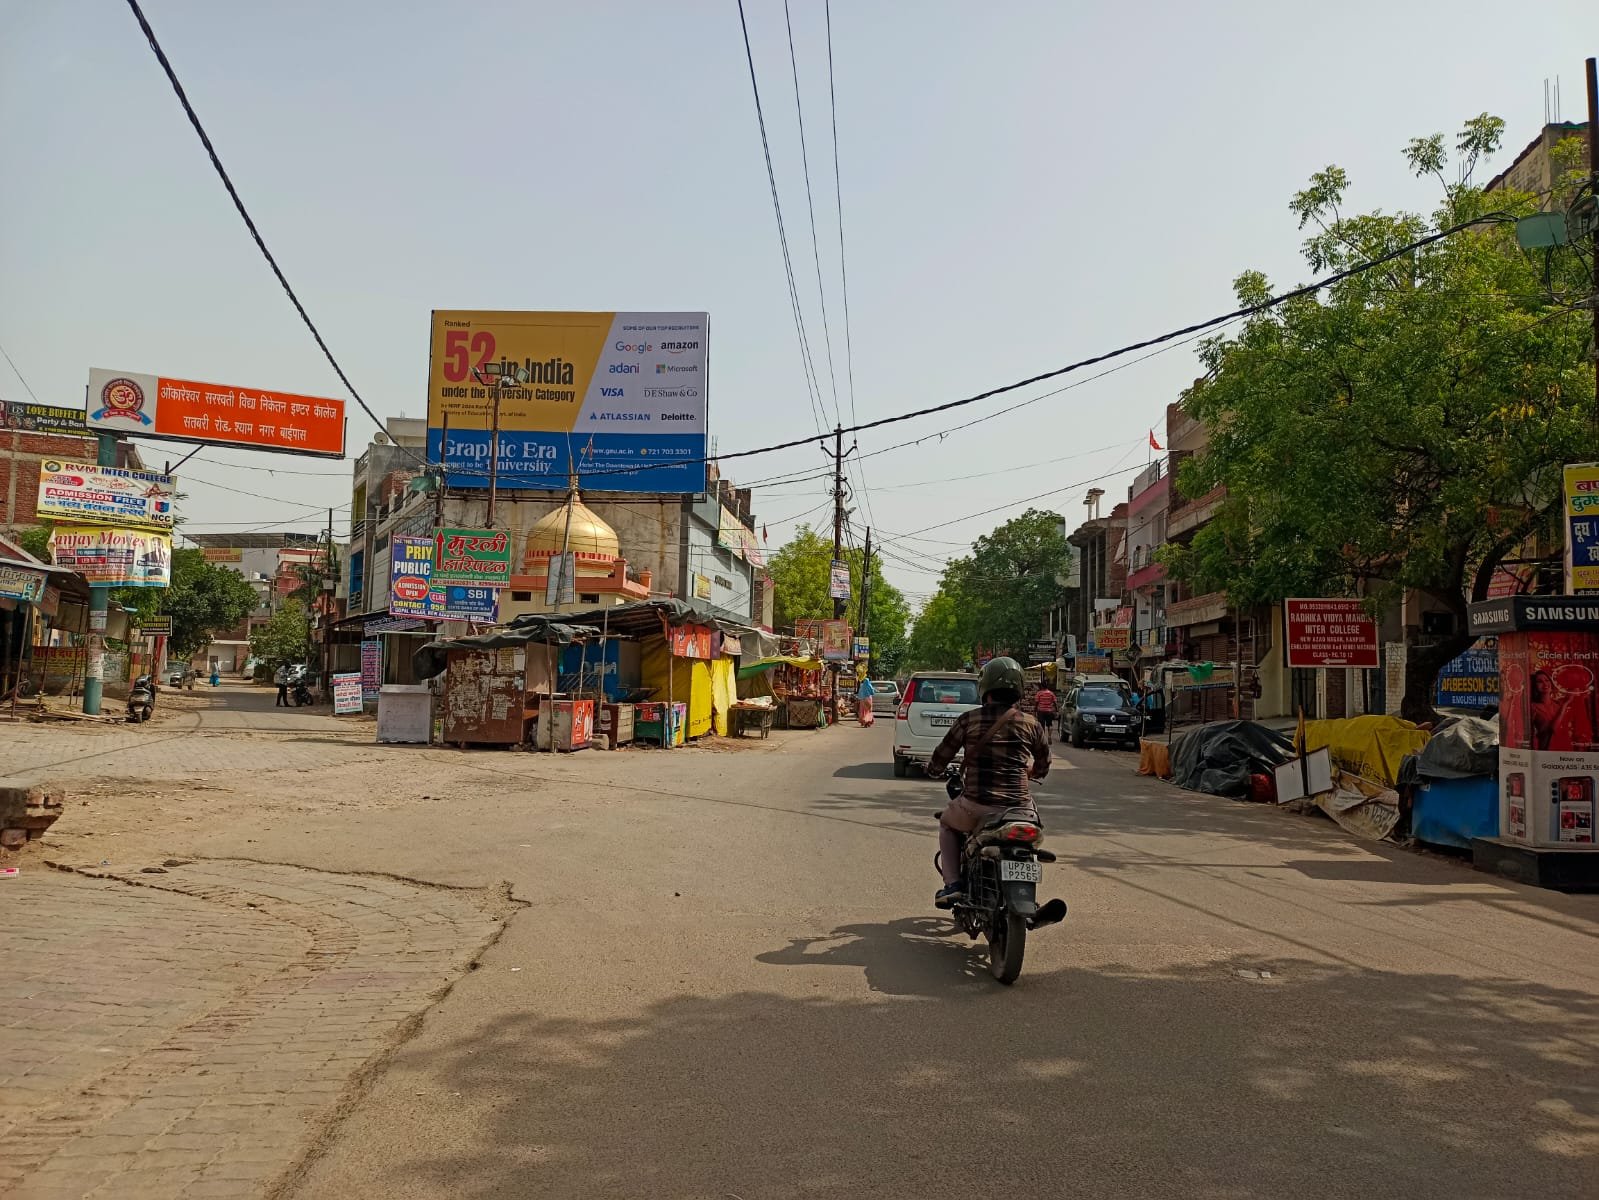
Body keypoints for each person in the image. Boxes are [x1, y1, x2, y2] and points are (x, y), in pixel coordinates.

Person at [925, 656, 1051, 907]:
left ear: (985, 688)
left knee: (947, 824)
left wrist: (934, 769)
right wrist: (1031, 772)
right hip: (1019, 809)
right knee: (1031, 834)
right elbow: (1043, 765)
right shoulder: (1032, 724)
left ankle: (953, 884)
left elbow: (941, 756)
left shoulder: (968, 720)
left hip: (977, 806)